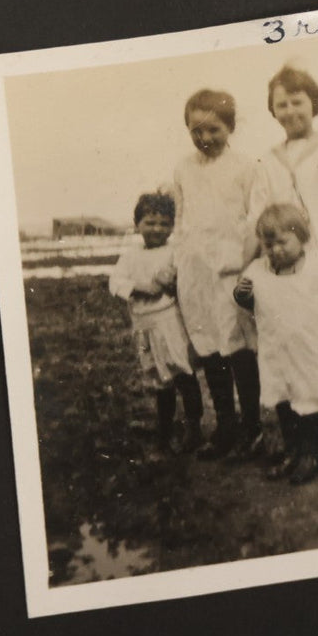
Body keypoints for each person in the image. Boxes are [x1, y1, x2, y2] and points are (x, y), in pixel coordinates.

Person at [249, 65, 318, 469]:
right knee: (296, 350)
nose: (290, 111)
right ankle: (303, 438)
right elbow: (259, 216)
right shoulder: (268, 160)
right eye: (281, 104)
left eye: (297, 102)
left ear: (313, 103)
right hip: (287, 268)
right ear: (272, 110)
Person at [170, 89, 261, 461]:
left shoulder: (245, 167)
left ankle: (252, 428)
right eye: (197, 130)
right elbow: (180, 220)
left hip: (230, 272)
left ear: (230, 127)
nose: (205, 137)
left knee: (238, 347)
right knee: (208, 347)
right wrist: (178, 264)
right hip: (195, 273)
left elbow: (255, 221)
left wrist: (247, 268)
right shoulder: (183, 169)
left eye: (214, 129)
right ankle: (226, 426)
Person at [234, 204, 318, 486]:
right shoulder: (257, 270)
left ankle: (311, 453)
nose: (275, 250)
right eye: (268, 244)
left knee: (309, 398)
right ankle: (292, 450)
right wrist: (242, 295)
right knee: (284, 399)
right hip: (276, 350)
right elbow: (247, 301)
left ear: (301, 237)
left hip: (309, 349)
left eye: (282, 242)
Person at [107, 193, 204, 453]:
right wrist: (141, 287)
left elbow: (184, 280)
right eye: (150, 223)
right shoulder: (130, 256)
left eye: (164, 223)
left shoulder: (175, 252)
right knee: (159, 380)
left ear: (172, 226)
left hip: (168, 321)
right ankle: (165, 432)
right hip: (143, 324)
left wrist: (170, 280)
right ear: (137, 224)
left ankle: (194, 428)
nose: (157, 229)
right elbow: (115, 282)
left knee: (183, 373)